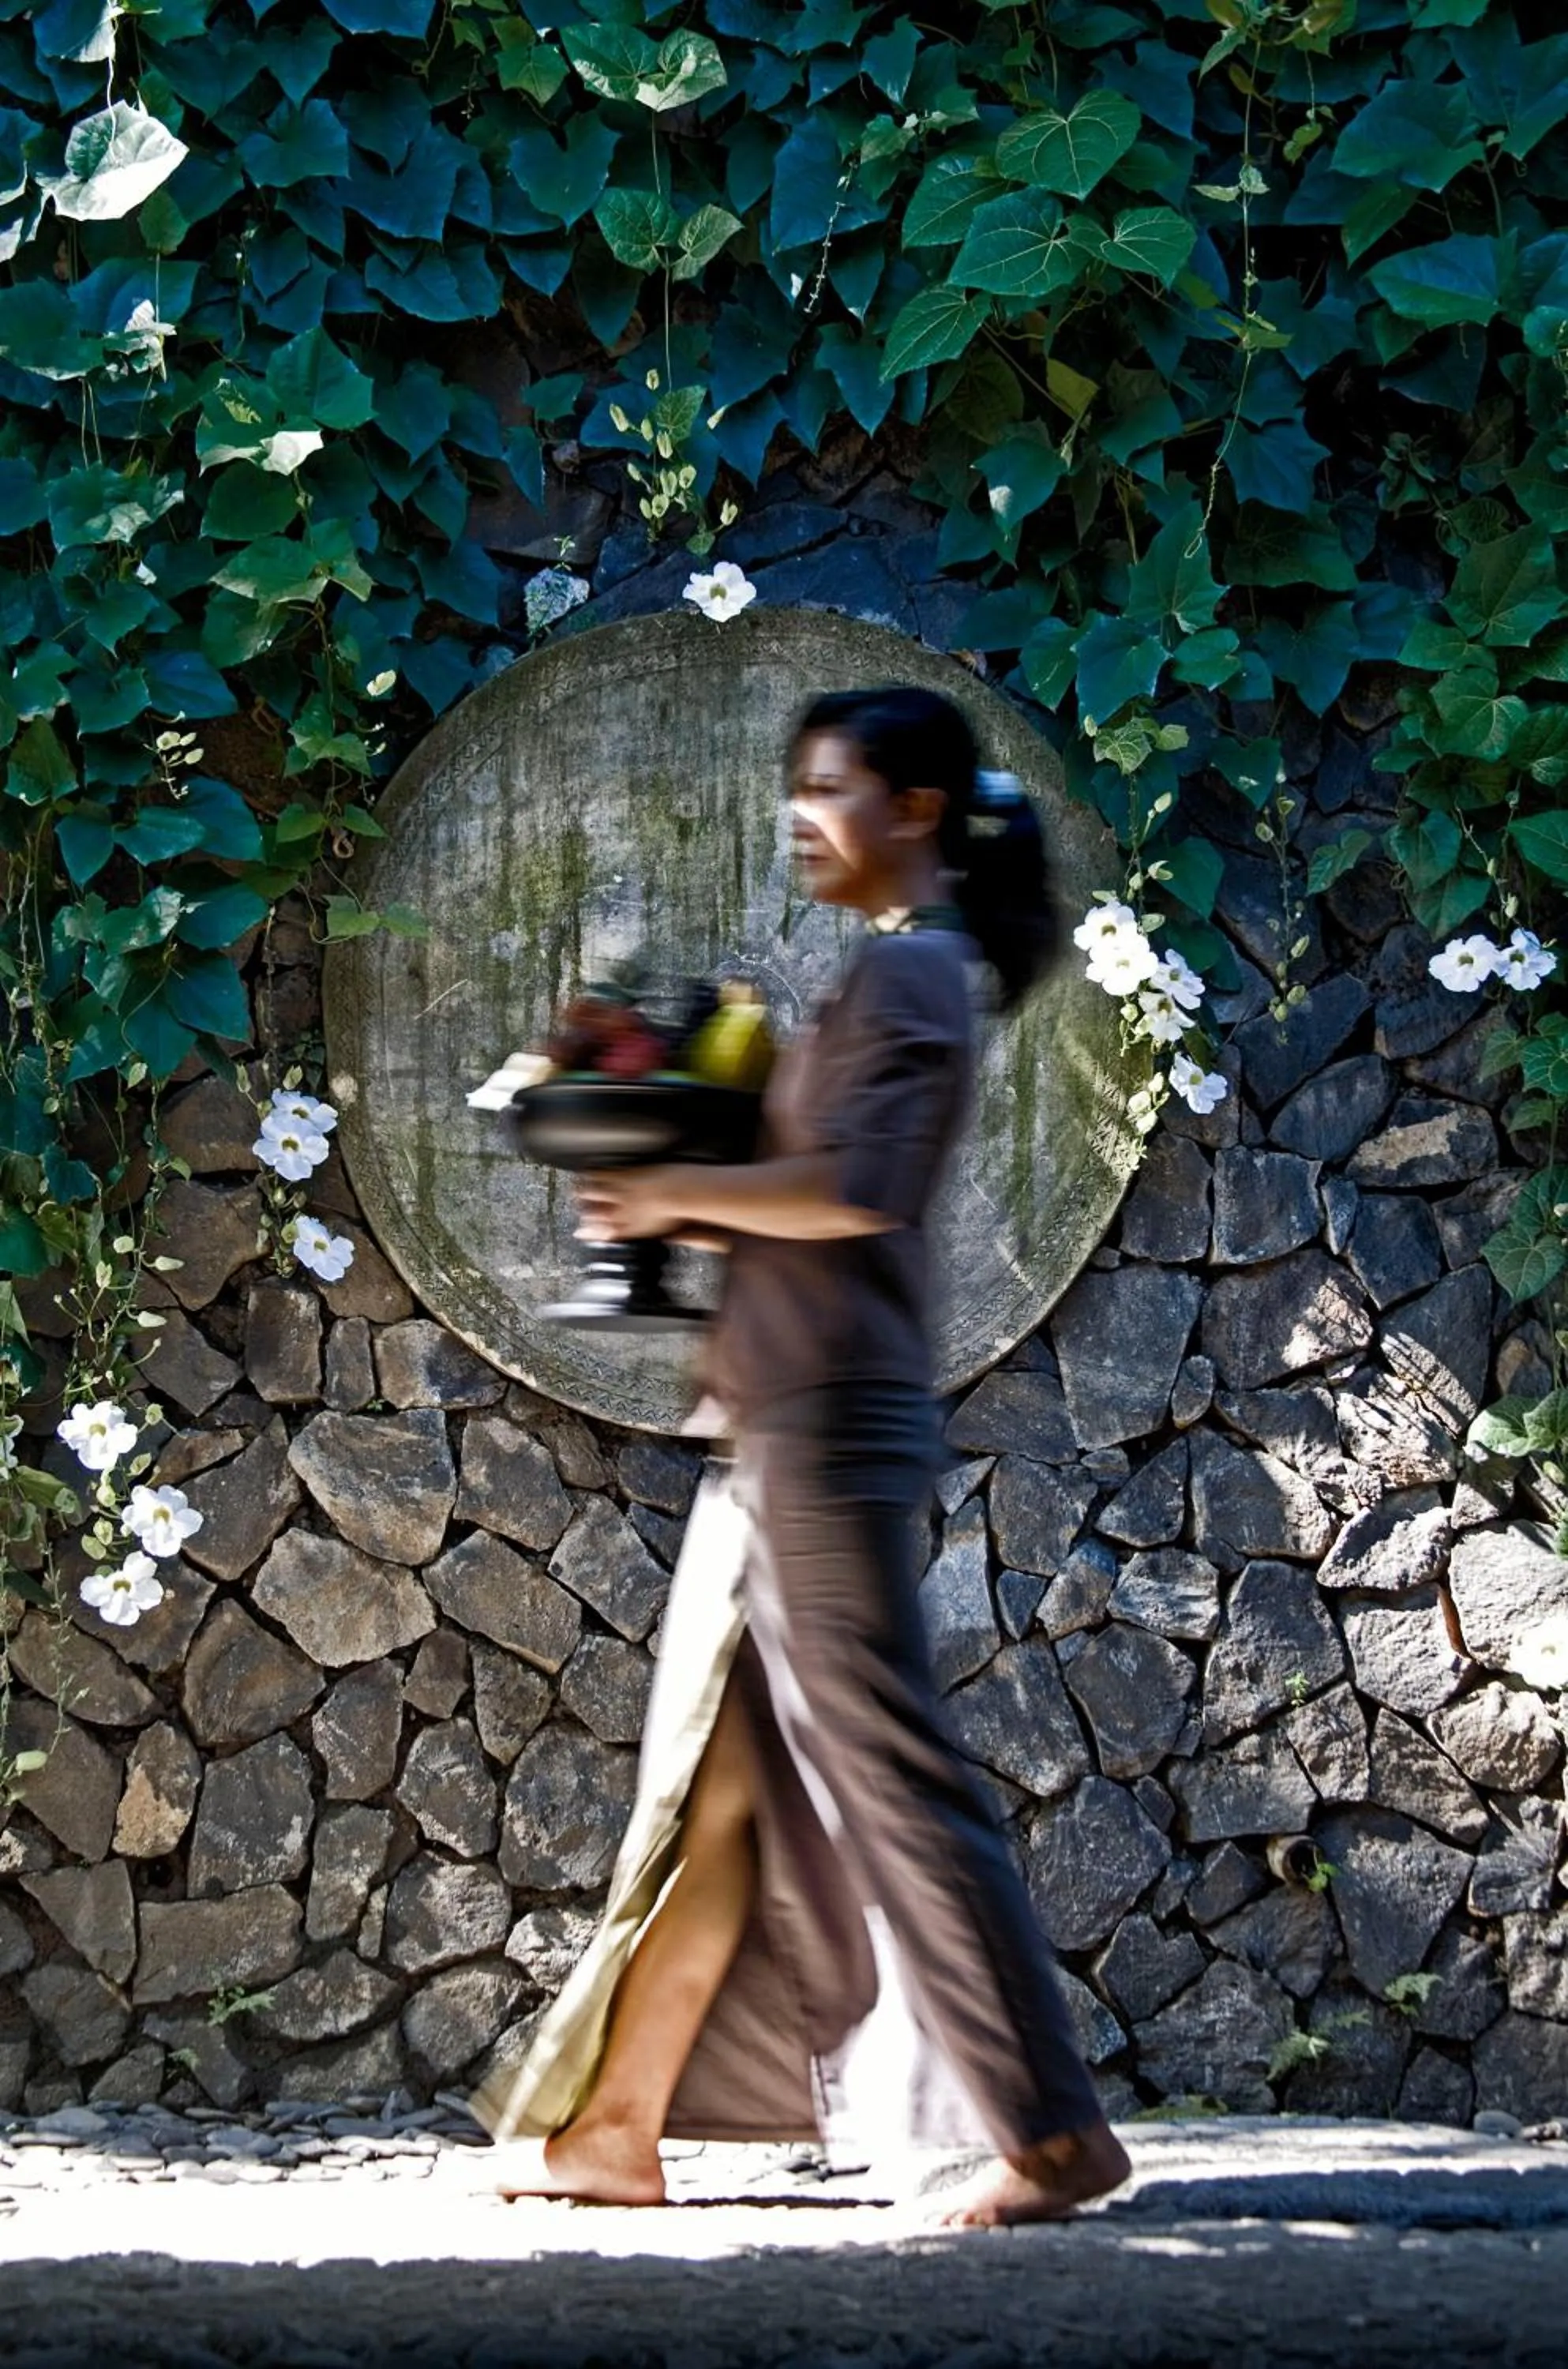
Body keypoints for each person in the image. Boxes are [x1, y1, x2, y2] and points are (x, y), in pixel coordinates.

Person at [475, 685, 1129, 2228]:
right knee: (722, 1785)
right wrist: (675, 1177)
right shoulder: (899, 966)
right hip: (787, 1417)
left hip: (823, 1434)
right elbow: (807, 1192)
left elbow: (852, 1192)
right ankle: (616, 2126)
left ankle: (1052, 2135)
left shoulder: (911, 971)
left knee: (891, 1780)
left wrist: (673, 1194)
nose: (800, 813)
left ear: (916, 810)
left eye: (830, 787)